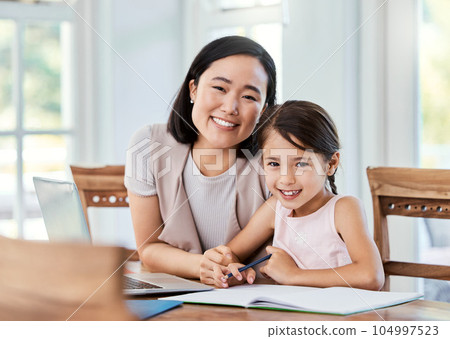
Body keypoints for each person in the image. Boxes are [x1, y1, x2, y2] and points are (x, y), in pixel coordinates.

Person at [124, 36, 277, 283]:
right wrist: (202, 266)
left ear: (264, 109)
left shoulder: (277, 159)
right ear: (193, 89)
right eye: (220, 88)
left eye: (249, 97)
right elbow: (149, 249)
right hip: (182, 302)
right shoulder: (148, 145)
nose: (230, 107)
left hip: (260, 302)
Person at [206, 100, 385, 290]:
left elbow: (371, 276)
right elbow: (229, 254)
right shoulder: (275, 208)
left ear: (331, 164)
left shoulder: (344, 209)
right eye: (274, 164)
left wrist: (294, 275)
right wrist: (230, 269)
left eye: (301, 164)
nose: (286, 179)